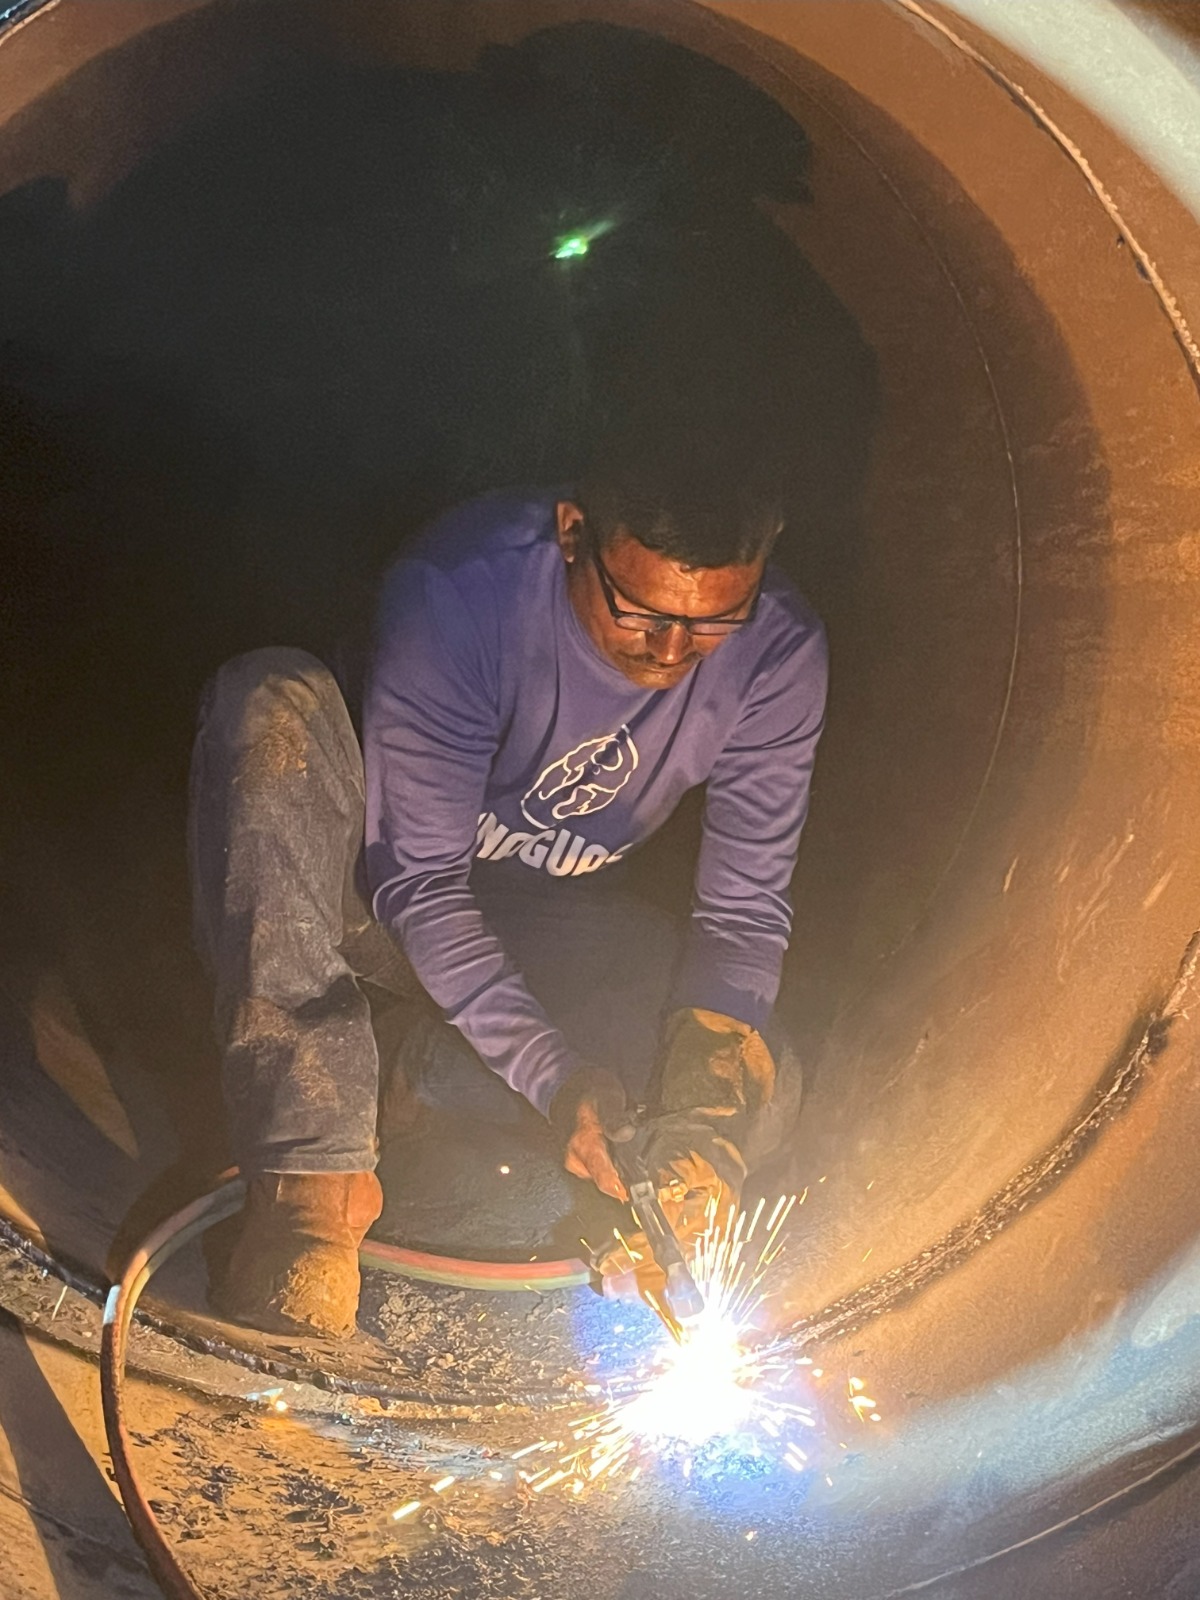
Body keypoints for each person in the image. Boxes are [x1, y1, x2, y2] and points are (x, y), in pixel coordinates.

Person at [188, 424, 828, 1338]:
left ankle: (420, 1065)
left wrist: (700, 1124)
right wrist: (557, 1076)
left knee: (761, 1079)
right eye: (639, 612)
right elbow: (422, 887)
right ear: (574, 534)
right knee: (270, 701)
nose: (671, 651)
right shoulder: (461, 592)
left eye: (713, 622)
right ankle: (312, 1186)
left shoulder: (779, 654)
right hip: (367, 901)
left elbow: (742, 914)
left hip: (539, 925)